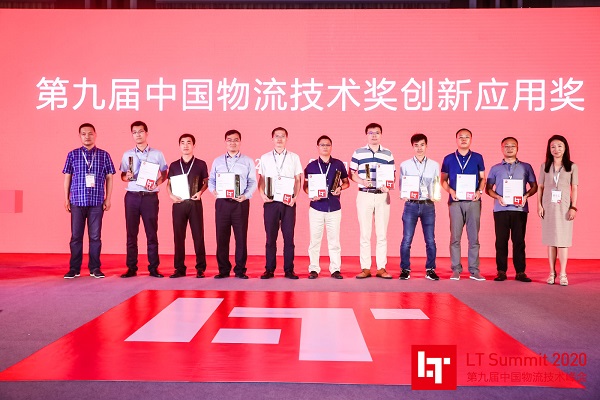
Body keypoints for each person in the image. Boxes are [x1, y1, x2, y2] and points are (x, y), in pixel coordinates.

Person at [62, 123, 115, 279]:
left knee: (95, 237)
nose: (87, 136)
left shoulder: (104, 155)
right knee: (76, 237)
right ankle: (74, 269)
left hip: (97, 201)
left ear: (95, 135)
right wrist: (66, 198)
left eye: (90, 133)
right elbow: (67, 177)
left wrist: (108, 198)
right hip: (77, 201)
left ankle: (95, 268)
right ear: (80, 136)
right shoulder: (72, 154)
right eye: (83, 134)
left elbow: (110, 177)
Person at [119, 121, 168, 278]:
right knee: (131, 234)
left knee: (151, 233)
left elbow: (165, 173)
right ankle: (131, 268)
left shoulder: (157, 154)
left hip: (149, 197)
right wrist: (126, 177)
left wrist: (156, 183)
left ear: (147, 133)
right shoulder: (127, 154)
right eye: (134, 132)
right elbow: (122, 176)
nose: (138, 135)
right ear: (132, 135)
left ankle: (153, 268)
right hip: (132, 196)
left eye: (140, 131)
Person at [485, 137, 538, 282]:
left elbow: (534, 186)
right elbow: (488, 188)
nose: (509, 148)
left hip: (520, 209)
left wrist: (526, 196)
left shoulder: (526, 167)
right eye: (506, 146)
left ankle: (520, 272)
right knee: (501, 241)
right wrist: (498, 197)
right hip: (500, 209)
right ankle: (501, 271)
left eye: (512, 146)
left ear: (517, 148)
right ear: (502, 148)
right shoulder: (495, 168)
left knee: (519, 241)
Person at [208, 129, 257, 279]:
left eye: (236, 140)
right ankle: (223, 270)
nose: (232, 143)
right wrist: (213, 191)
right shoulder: (217, 161)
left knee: (240, 237)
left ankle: (240, 270)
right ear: (225, 142)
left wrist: (245, 196)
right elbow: (211, 180)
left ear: (240, 142)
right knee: (221, 237)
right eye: (229, 140)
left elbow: (253, 182)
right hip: (222, 203)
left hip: (240, 203)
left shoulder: (248, 161)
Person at [350, 123, 395, 279]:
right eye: (371, 133)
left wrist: (388, 186)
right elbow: (351, 174)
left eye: (377, 132)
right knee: (365, 233)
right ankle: (365, 268)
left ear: (381, 135)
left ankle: (381, 268)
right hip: (365, 195)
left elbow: (392, 175)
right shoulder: (358, 153)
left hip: (382, 196)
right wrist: (362, 181)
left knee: (382, 234)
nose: (374, 135)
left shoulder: (388, 153)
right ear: (366, 135)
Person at [441, 128, 486, 281]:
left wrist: (479, 191)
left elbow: (483, 178)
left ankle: (474, 270)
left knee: (474, 238)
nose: (464, 139)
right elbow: (443, 180)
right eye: (461, 137)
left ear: (471, 139)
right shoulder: (448, 158)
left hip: (473, 202)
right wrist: (451, 191)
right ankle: (456, 270)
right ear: (456, 139)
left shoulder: (478, 157)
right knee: (455, 237)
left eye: (467, 137)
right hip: (455, 202)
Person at [258, 127, 303, 279]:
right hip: (271, 202)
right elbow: (261, 178)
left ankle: (289, 270)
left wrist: (295, 197)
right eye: (277, 136)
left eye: (282, 136)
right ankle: (269, 269)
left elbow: (298, 179)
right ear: (272, 138)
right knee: (270, 238)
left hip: (288, 202)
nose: (279, 139)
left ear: (286, 138)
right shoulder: (265, 157)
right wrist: (262, 194)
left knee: (289, 238)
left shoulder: (294, 157)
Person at [303, 135, 350, 279]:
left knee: (334, 241)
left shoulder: (338, 164)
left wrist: (340, 188)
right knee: (315, 240)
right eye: (322, 145)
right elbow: (305, 186)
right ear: (317, 147)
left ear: (331, 147)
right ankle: (314, 269)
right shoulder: (311, 166)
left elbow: (346, 182)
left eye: (328, 145)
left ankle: (335, 269)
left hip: (334, 208)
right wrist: (311, 194)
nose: (325, 147)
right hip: (316, 208)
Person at [537, 135, 578, 286]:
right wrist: (539, 205)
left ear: (565, 148)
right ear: (549, 149)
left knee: (563, 241)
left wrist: (573, 207)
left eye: (559, 146)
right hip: (548, 207)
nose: (556, 149)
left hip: (564, 207)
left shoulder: (572, 167)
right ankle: (551, 273)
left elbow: (574, 188)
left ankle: (563, 274)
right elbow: (540, 187)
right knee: (551, 241)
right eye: (553, 146)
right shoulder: (544, 166)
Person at [398, 133, 440, 281]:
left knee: (430, 240)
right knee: (407, 239)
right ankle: (405, 269)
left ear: (426, 146)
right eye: (416, 145)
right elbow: (402, 184)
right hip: (411, 205)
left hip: (428, 205)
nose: (419, 148)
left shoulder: (434, 165)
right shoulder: (405, 165)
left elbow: (436, 183)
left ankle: (430, 269)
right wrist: (404, 194)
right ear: (412, 147)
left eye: (422, 145)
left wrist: (435, 195)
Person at [166, 134, 209, 278]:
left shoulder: (200, 164)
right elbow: (168, 184)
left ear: (193, 145)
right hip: (179, 204)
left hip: (195, 203)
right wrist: (171, 196)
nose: (185, 145)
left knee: (198, 236)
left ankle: (200, 268)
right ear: (179, 145)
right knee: (178, 237)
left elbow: (206, 182)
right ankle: (179, 268)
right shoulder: (174, 165)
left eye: (189, 142)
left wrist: (200, 192)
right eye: (183, 143)